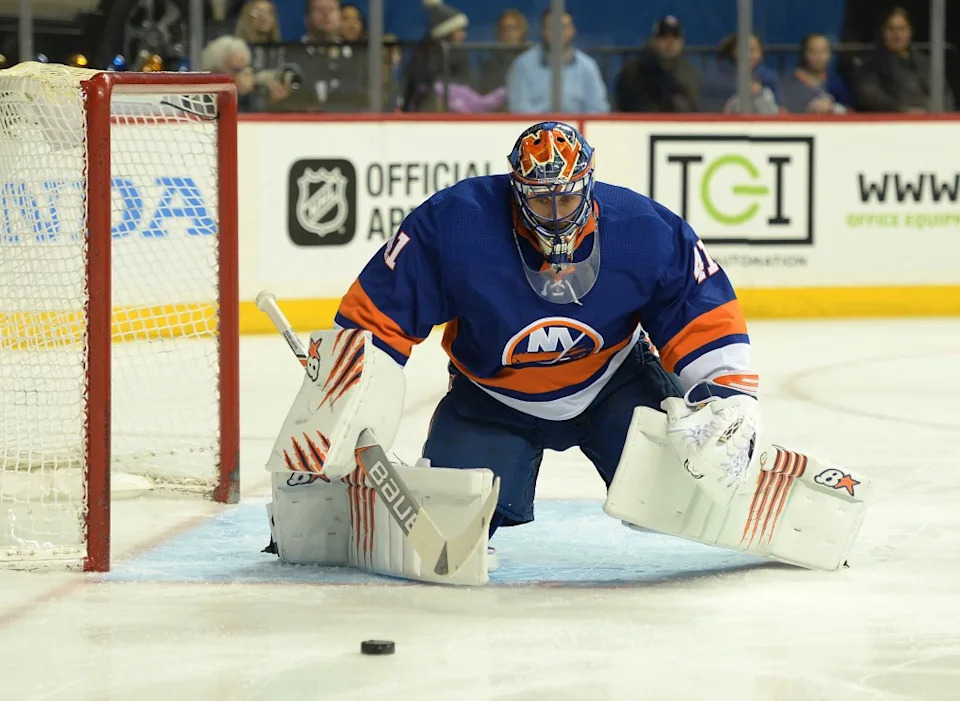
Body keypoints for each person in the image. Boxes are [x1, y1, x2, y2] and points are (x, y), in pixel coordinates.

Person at [333, 121, 755, 538]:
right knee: (451, 526)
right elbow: (378, 316)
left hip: (614, 383)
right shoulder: (456, 223)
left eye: (567, 199)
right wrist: (341, 406)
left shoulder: (642, 228)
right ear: (516, 190)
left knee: (684, 495)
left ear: (588, 186)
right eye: (540, 201)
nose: (555, 215)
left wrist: (729, 399)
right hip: (491, 397)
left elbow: (697, 309)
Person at [404, 0, 505, 113]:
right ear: (448, 32)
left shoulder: (458, 52)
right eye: (460, 30)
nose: (463, 35)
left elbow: (466, 85)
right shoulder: (429, 56)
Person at [506, 9, 609, 113]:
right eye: (553, 27)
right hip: (536, 128)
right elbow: (519, 110)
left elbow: (598, 109)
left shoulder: (587, 66)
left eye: (564, 27)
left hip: (577, 128)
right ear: (543, 31)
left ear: (572, 30)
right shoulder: (523, 65)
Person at [854, 7, 955, 112]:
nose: (897, 35)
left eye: (902, 29)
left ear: (910, 32)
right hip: (894, 123)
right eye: (891, 29)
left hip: (934, 122)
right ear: (883, 32)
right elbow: (871, 97)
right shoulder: (869, 65)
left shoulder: (925, 63)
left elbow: (945, 95)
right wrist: (903, 111)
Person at [614, 15, 699, 112]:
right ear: (654, 40)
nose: (670, 42)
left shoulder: (689, 73)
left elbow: (694, 109)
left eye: (675, 37)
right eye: (664, 36)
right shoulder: (634, 72)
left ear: (682, 42)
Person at [700, 33, 782, 113]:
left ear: (760, 54)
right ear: (734, 52)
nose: (748, 55)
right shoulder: (719, 77)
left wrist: (759, 93)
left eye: (752, 50)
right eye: (743, 49)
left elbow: (781, 105)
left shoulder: (769, 79)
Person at [782, 34, 852, 114]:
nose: (819, 56)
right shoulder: (789, 82)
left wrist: (833, 107)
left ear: (830, 54)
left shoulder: (836, 81)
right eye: (813, 51)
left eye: (823, 51)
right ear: (804, 53)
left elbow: (849, 110)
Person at [477, 9, 529, 95]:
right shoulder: (490, 65)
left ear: (522, 31)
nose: (507, 32)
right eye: (503, 28)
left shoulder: (531, 60)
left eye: (512, 28)